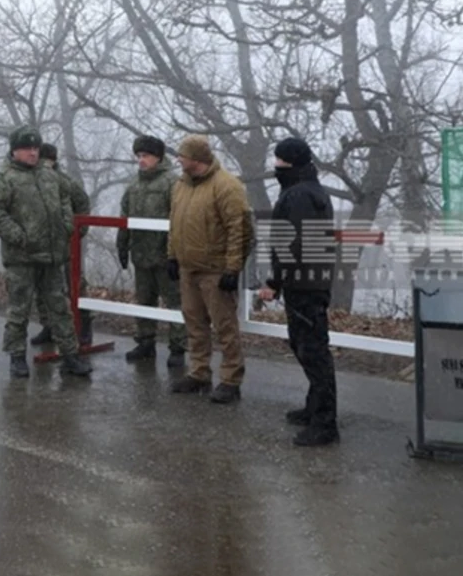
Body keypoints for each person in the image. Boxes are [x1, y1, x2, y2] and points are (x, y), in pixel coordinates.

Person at [0, 126, 92, 378]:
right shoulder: (4, 178)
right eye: (27, 149)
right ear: (15, 151)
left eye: (35, 148)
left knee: (59, 308)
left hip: (52, 255)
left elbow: (66, 198)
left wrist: (66, 225)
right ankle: (17, 357)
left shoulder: (48, 174)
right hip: (22, 259)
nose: (33, 153)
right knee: (19, 310)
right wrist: (18, 236)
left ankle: (70, 356)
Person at [258, 137, 339, 446]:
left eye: (279, 159)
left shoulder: (299, 195)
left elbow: (294, 243)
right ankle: (314, 408)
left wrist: (274, 281)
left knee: (312, 351)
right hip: (309, 280)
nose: (275, 165)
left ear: (289, 162)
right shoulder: (309, 190)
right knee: (307, 346)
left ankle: (325, 424)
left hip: (303, 283)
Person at [166, 135, 254, 403]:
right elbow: (174, 222)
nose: (178, 159)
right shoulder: (180, 185)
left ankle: (231, 379)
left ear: (197, 158)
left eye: (182, 155)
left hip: (215, 269)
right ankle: (199, 372)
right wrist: (172, 255)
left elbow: (238, 229)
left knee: (225, 327)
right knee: (194, 323)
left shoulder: (227, 186)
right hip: (188, 267)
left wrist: (232, 268)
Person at [117, 135, 187, 367]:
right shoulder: (134, 186)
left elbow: (180, 221)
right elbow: (124, 217)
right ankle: (145, 342)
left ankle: (178, 347)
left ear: (158, 157)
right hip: (141, 254)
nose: (141, 160)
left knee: (174, 301)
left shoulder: (173, 183)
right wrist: (122, 245)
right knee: (144, 300)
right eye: (138, 156)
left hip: (164, 255)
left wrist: (174, 255)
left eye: (145, 155)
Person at [31, 142, 94, 346]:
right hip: (42, 243)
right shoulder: (32, 181)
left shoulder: (65, 181)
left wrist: (75, 235)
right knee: (44, 286)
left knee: (75, 284)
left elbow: (83, 205)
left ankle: (84, 326)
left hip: (67, 244)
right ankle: (48, 326)